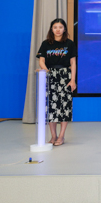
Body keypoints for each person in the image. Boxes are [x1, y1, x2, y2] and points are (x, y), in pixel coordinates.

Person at [36, 18, 77, 146]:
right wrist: (47, 72)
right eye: (55, 27)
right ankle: (53, 135)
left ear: (64, 29)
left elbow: (73, 63)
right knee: (51, 107)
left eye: (60, 27)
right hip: (49, 75)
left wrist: (73, 80)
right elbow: (41, 60)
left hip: (65, 76)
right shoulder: (46, 43)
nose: (58, 30)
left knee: (64, 107)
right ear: (51, 29)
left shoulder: (69, 44)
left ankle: (61, 135)